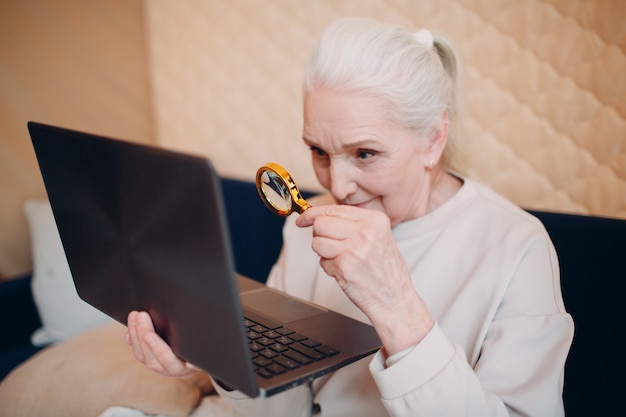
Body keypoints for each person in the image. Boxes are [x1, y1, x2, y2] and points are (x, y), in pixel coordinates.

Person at [126, 17, 574, 416]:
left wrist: (397, 308)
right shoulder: (304, 222)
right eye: (318, 151)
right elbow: (282, 404)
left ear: (434, 139)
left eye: (365, 153)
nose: (336, 188)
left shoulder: (517, 247)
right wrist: (218, 358)